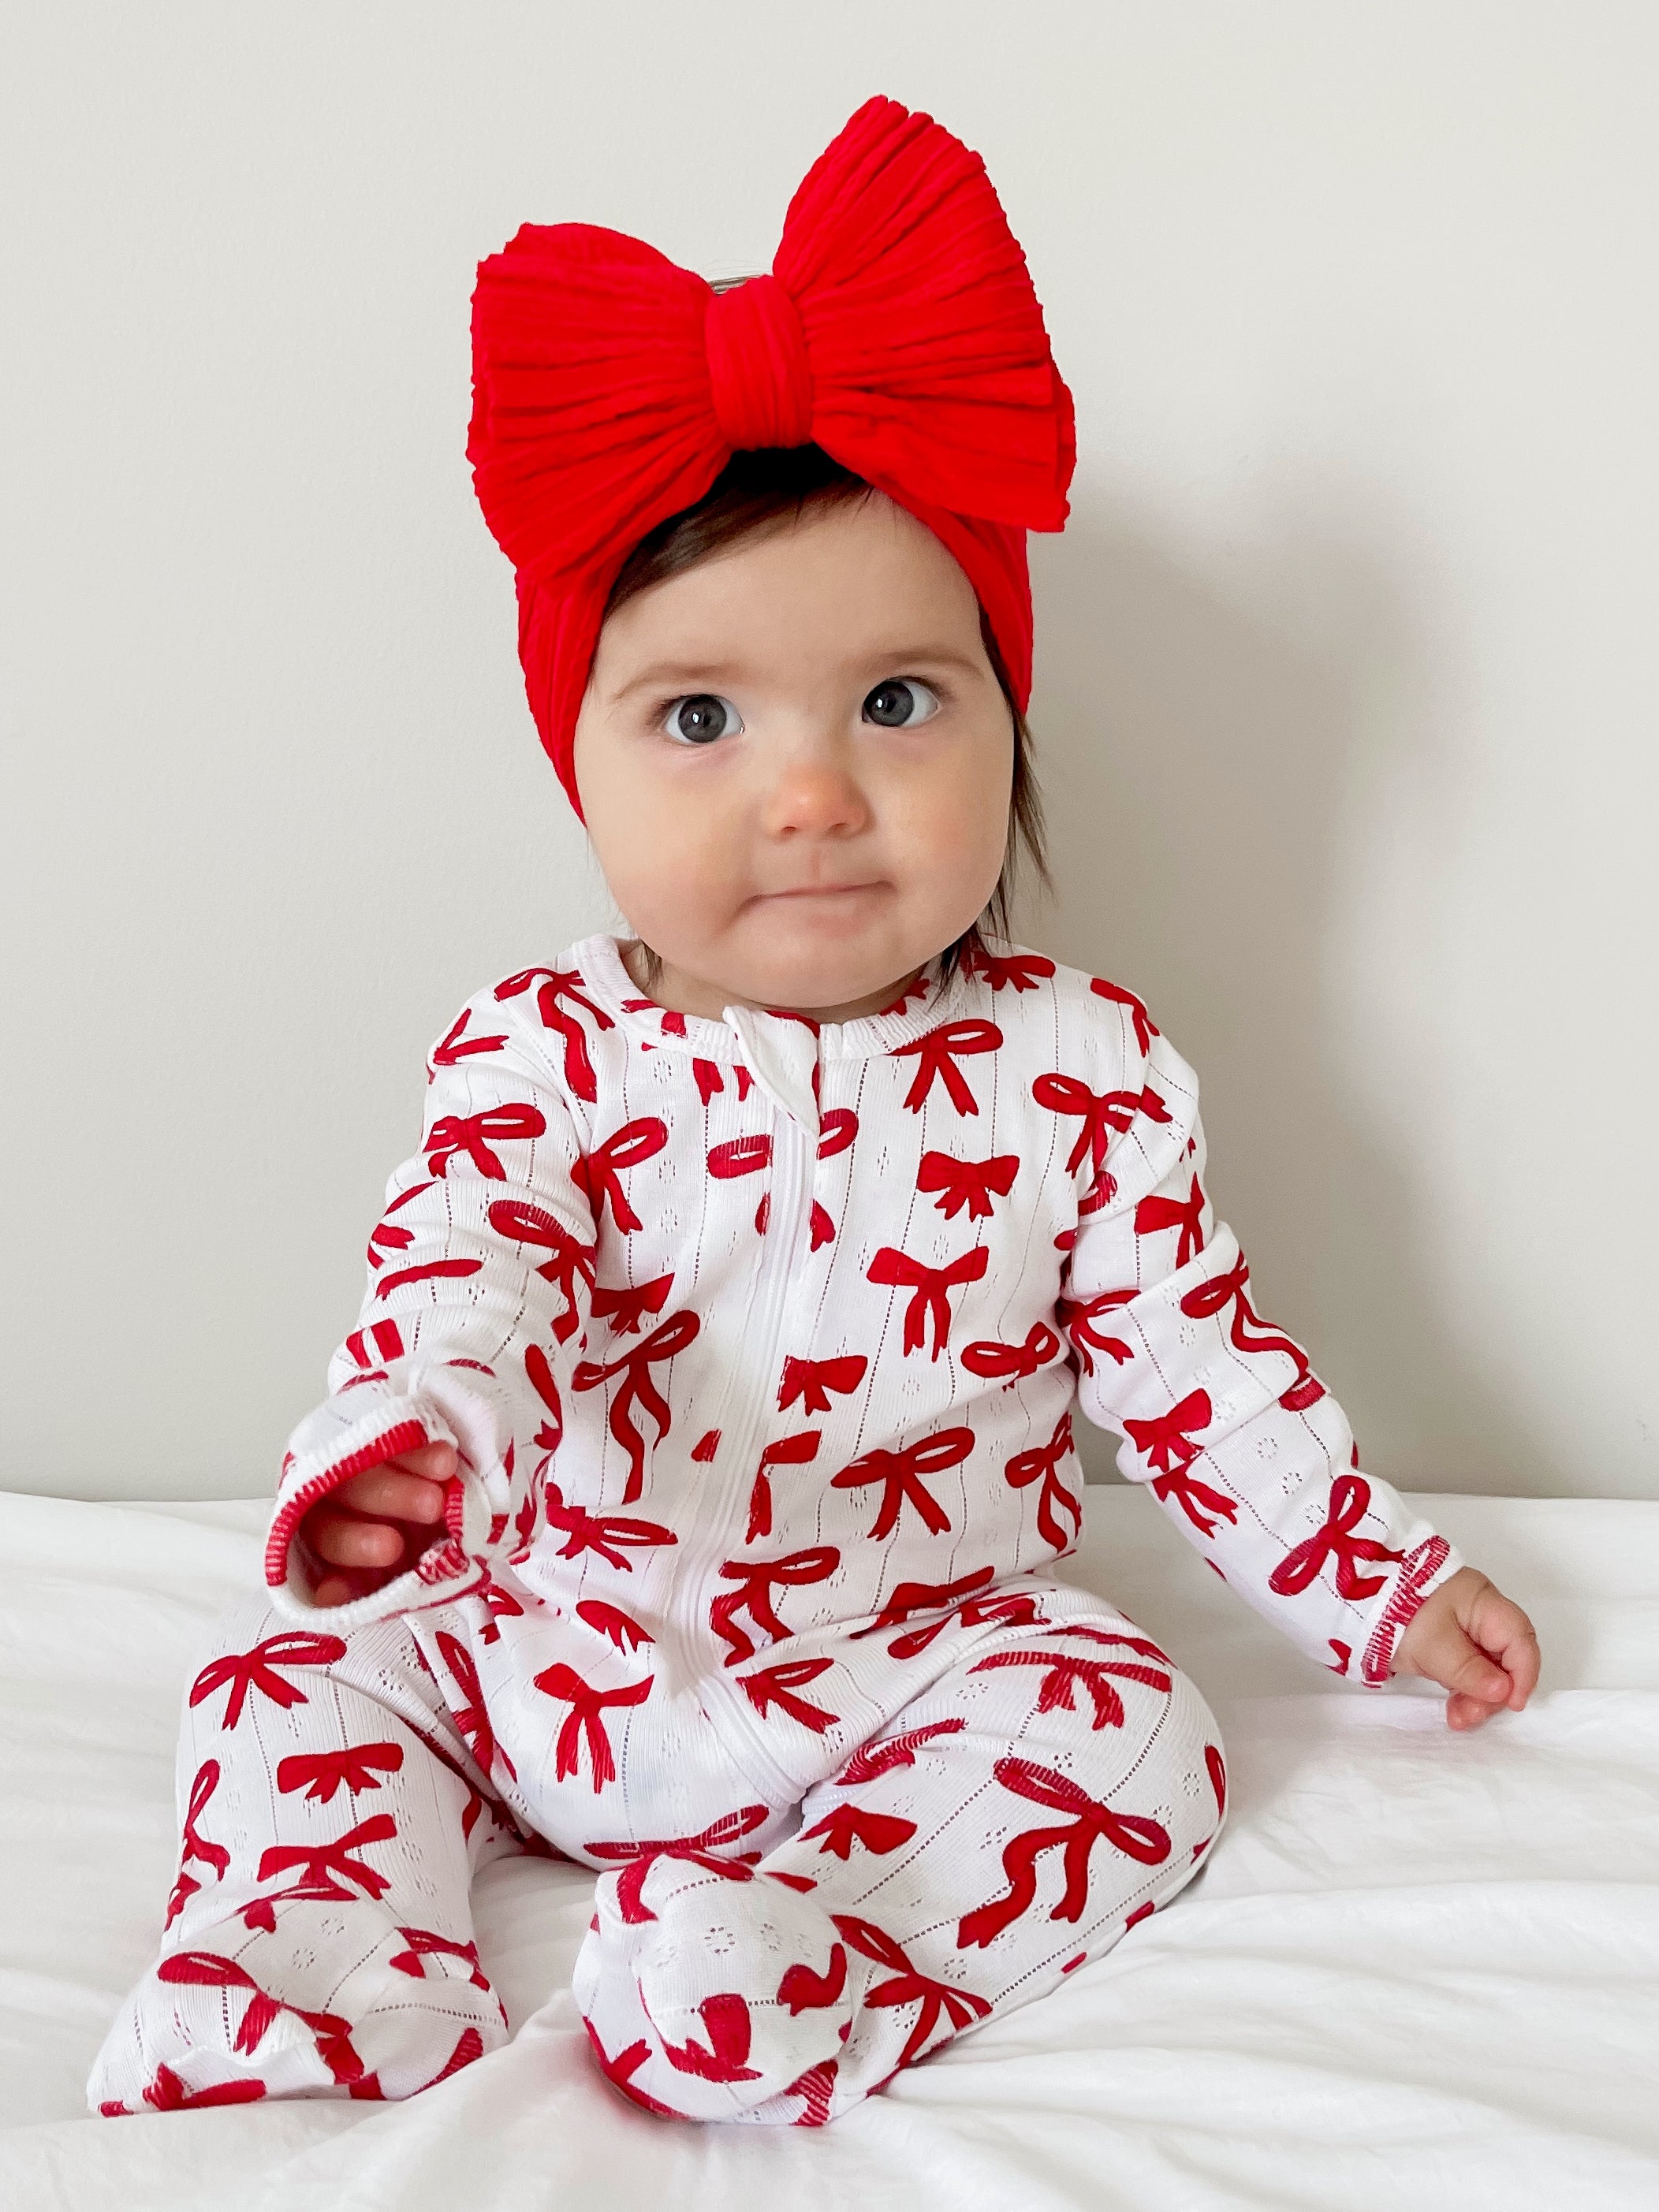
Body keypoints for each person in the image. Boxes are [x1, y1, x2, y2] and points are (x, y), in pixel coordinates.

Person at [88, 93, 1540, 2127]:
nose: (810, 790)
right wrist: (411, 1444)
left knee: (1140, 1727)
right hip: (537, 1649)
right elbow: (463, 1266)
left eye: (896, 700)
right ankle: (311, 1987)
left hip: (895, 1671)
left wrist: (1378, 1578)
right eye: (700, 717)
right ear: (578, 764)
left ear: (1005, 727)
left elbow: (1202, 1370)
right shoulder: (538, 1052)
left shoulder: (1084, 1072)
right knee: (285, 1676)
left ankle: (789, 1954)